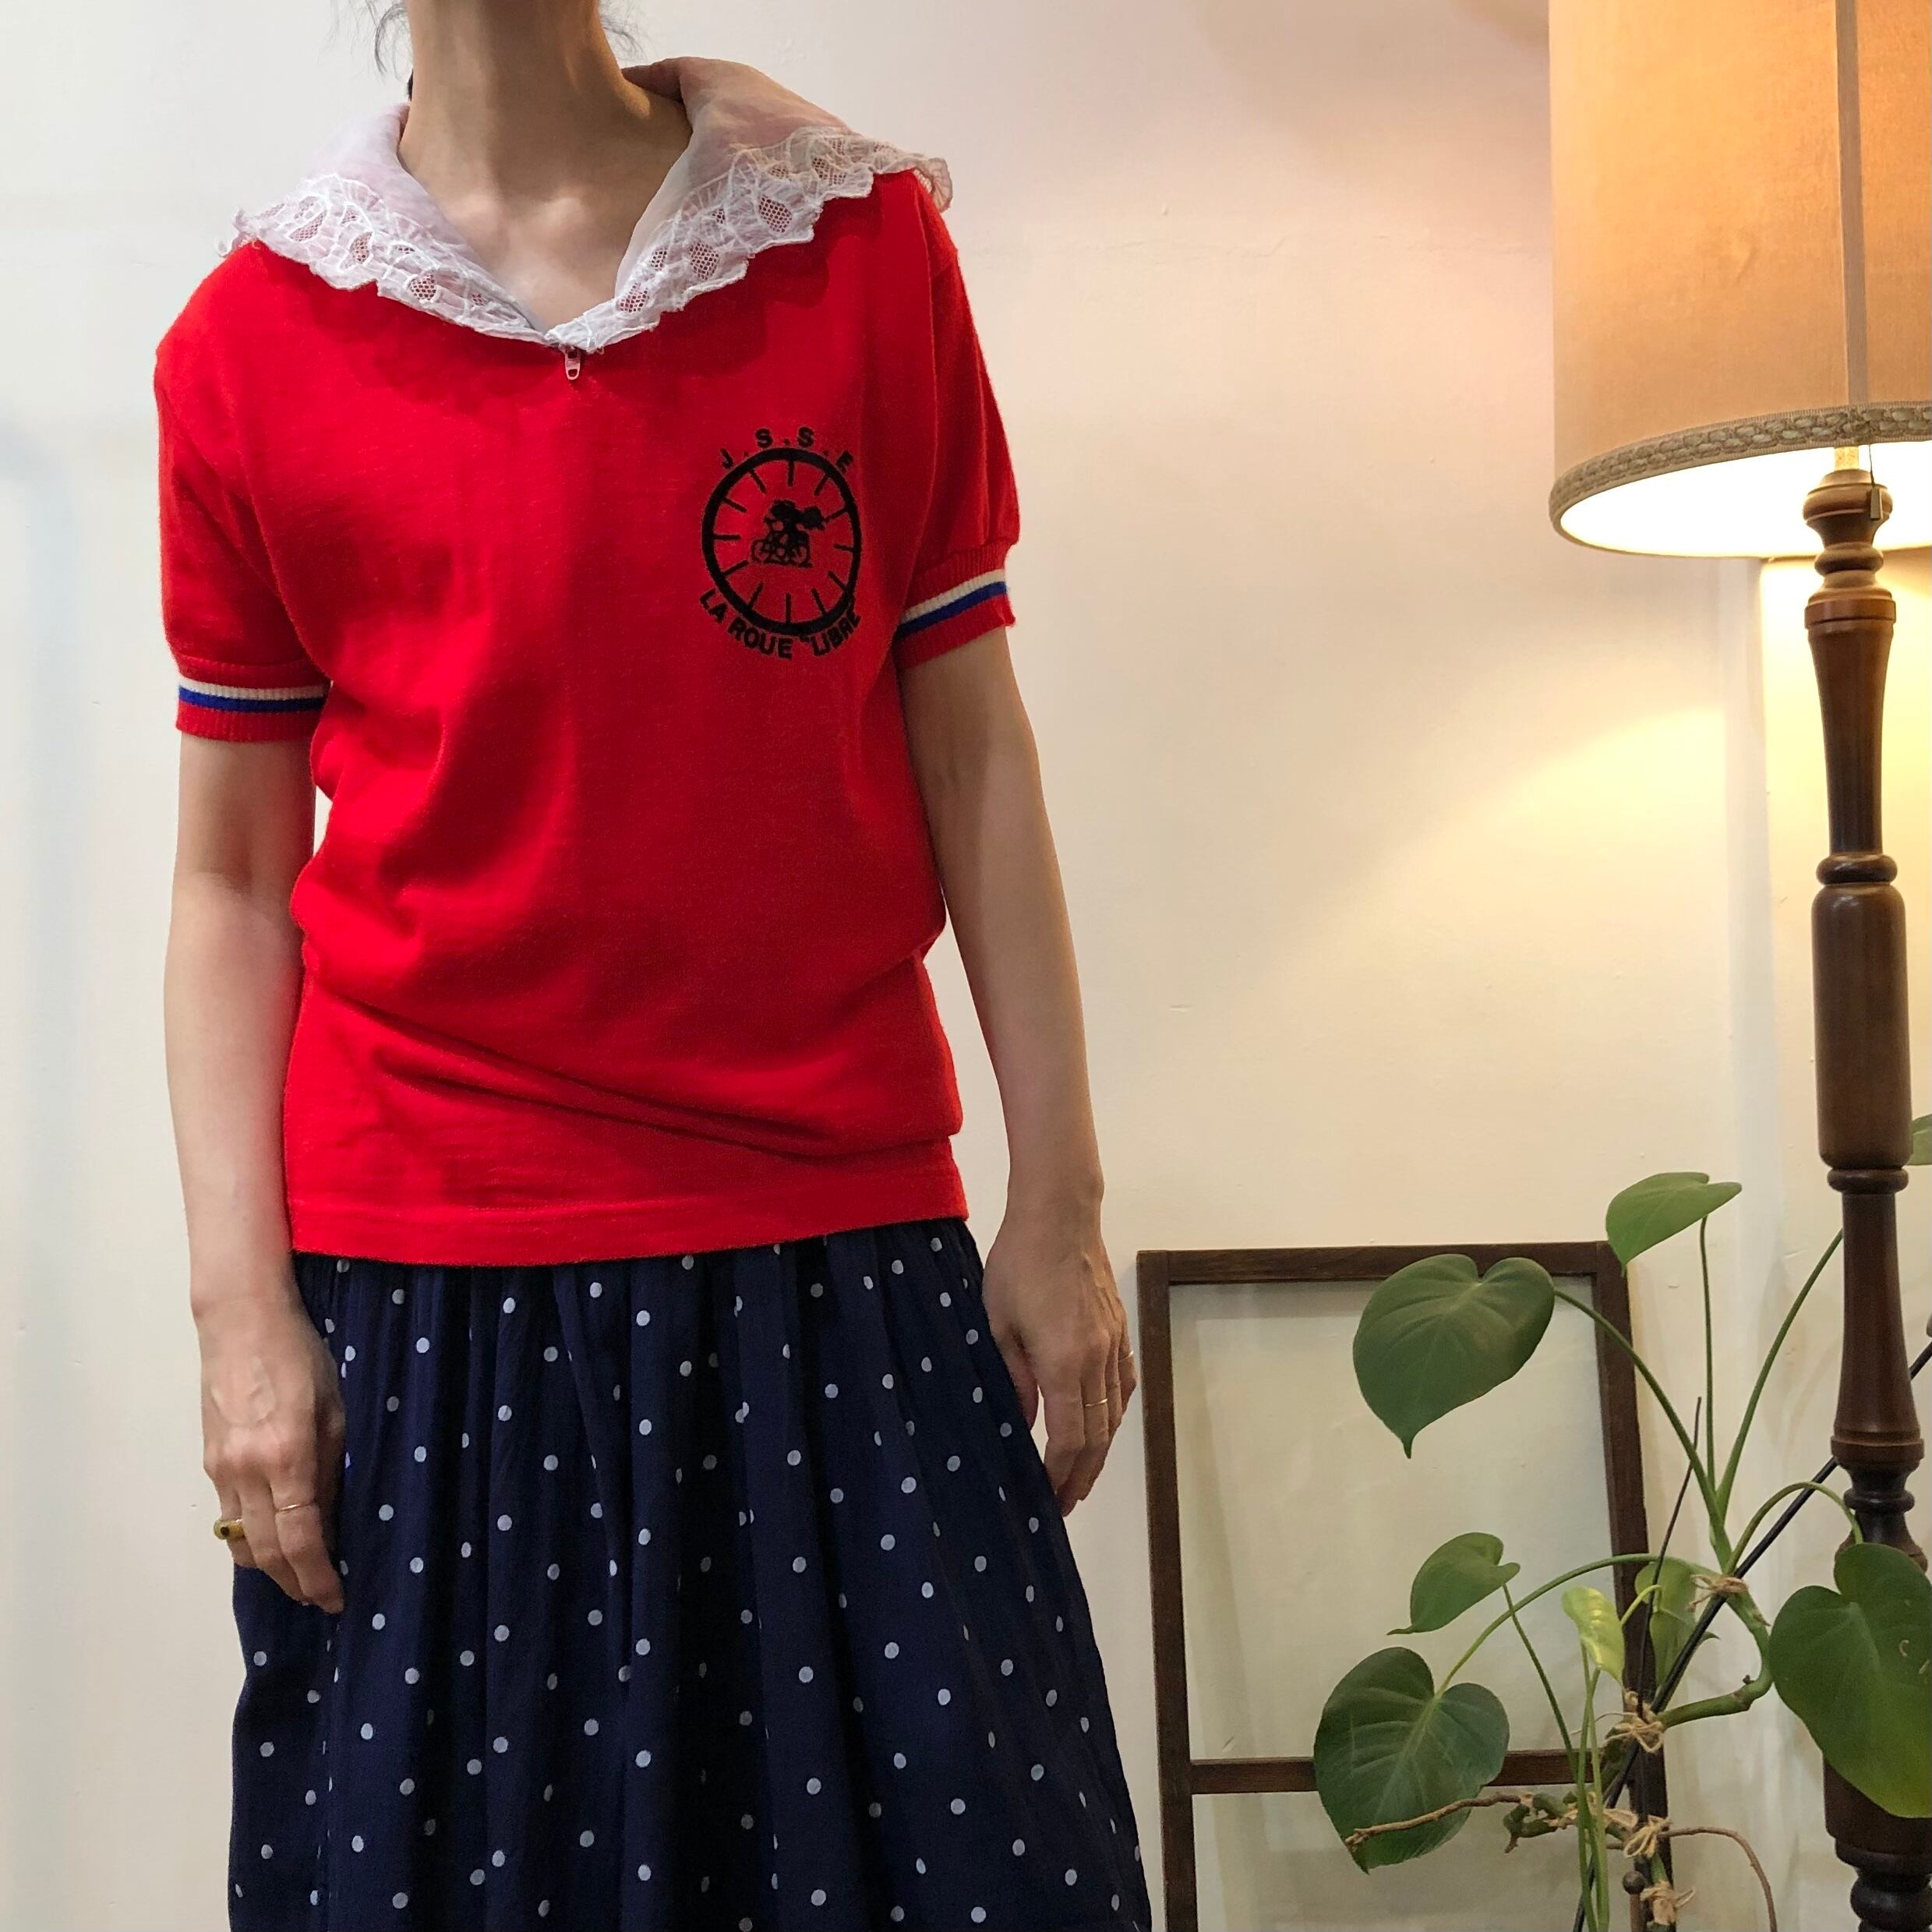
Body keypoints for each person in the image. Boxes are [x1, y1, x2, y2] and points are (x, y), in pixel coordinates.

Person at [157, 5, 1150, 1927]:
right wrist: (238, 1315)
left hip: (840, 1259)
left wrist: (1061, 1199)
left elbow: (971, 749)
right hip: (432, 1306)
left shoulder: (853, 249)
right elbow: (231, 878)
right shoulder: (252, 341)